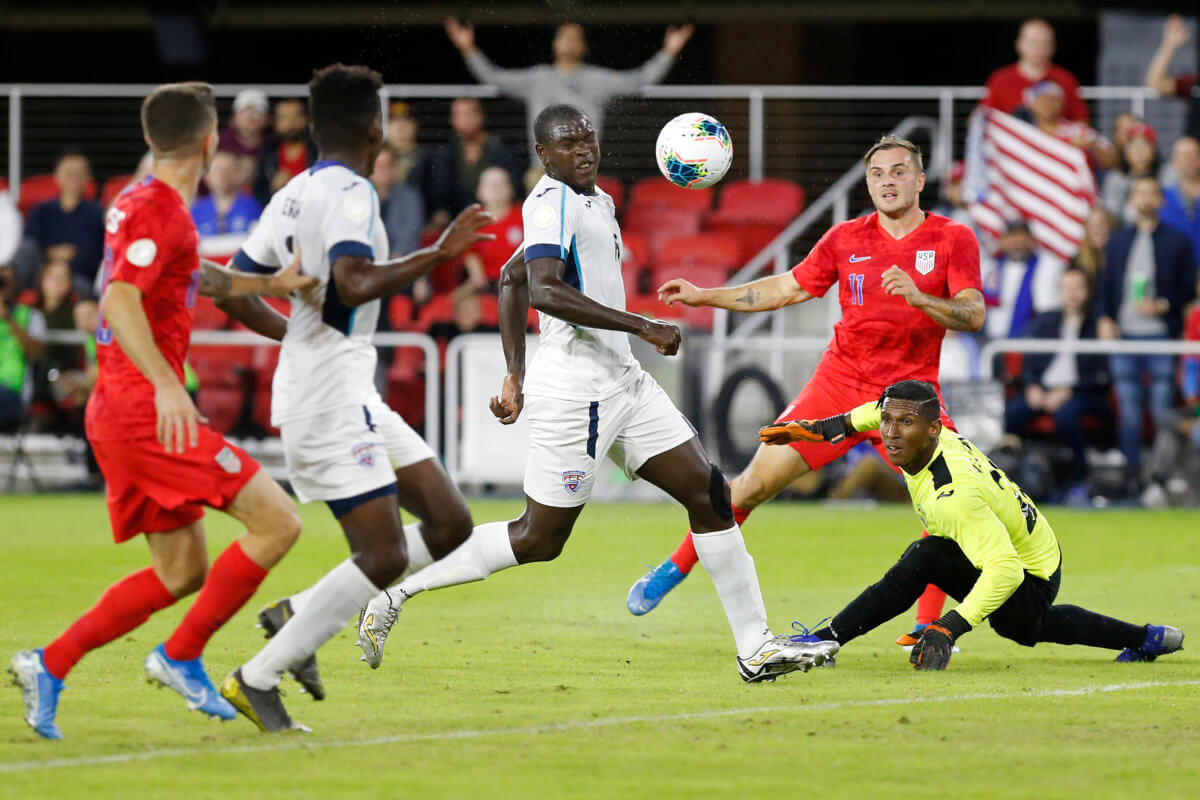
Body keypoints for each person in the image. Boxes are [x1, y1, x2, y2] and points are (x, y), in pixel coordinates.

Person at [352, 104, 838, 685]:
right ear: (544, 155)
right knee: (539, 538)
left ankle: (755, 647)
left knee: (710, 496)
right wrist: (642, 325)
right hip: (577, 392)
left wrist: (513, 372)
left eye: (587, 138)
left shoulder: (597, 201)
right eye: (567, 142)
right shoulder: (548, 202)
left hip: (624, 383)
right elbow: (545, 291)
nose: (583, 149)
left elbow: (513, 279)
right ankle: (395, 589)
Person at [8, 82, 317, 741]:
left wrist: (272, 285)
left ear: (150, 141)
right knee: (279, 521)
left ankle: (49, 663)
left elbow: (195, 276)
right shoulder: (164, 210)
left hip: (120, 411)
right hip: (142, 412)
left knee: (183, 571)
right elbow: (121, 303)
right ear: (210, 142)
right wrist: (169, 386)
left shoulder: (143, 204)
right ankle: (179, 655)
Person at [215, 64, 495, 733]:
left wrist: (295, 336)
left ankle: (295, 614)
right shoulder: (352, 193)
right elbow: (353, 279)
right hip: (328, 396)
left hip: (343, 382)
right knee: (386, 555)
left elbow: (232, 286)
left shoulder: (292, 191)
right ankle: (258, 677)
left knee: (450, 523)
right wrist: (438, 253)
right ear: (375, 128)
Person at [626, 134, 985, 648]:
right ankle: (674, 567)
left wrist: (921, 297)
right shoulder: (845, 239)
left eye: (899, 171)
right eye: (878, 173)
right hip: (838, 386)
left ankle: (927, 626)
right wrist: (706, 295)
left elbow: (972, 314)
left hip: (910, 399)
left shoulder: (953, 239)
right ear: (868, 184)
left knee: (947, 509)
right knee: (749, 487)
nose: (888, 181)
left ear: (921, 180)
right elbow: (785, 288)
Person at [776, 379, 1184, 668]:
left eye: (904, 424)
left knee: (1010, 616)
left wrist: (948, 627)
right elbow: (873, 413)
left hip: (1029, 568)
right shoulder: (929, 434)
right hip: (1024, 540)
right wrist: (826, 428)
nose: (890, 434)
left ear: (933, 430)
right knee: (940, 566)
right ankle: (1147, 638)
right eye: (888, 422)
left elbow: (1004, 570)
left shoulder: (954, 496)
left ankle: (823, 643)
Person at [445, 18, 693, 161]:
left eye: (577, 37)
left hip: (586, 171)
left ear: (585, 46)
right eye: (565, 36)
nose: (570, 41)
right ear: (554, 43)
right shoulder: (537, 78)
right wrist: (468, 48)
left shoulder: (599, 79)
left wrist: (669, 51)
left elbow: (641, 79)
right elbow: (493, 77)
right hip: (542, 173)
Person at [1096, 175, 1198, 482]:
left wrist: (1163, 305)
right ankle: (1131, 476)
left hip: (1161, 337)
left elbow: (1187, 290)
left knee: (1161, 410)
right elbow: (1105, 287)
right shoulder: (1117, 241)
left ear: (1161, 200)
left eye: (1151, 193)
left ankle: (1159, 476)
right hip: (1124, 336)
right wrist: (1105, 318)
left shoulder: (1177, 241)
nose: (1145, 199)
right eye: (1139, 193)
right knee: (1128, 412)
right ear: (1132, 200)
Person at [1004, 267, 1110, 490]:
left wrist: (1069, 391)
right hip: (1043, 390)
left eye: (1077, 288)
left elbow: (1101, 372)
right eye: (1067, 288)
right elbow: (1030, 360)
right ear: (1060, 291)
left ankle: (1079, 478)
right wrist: (1032, 387)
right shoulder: (1046, 321)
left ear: (1087, 291)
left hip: (1081, 393)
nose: (1072, 294)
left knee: (1067, 415)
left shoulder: (1097, 325)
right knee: (1012, 412)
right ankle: (1018, 475)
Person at [24, 150, 105, 296]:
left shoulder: (97, 213)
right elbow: (30, 244)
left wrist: (62, 270)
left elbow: (95, 253)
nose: (73, 178)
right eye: (69, 173)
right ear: (57, 176)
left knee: (82, 288)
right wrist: (53, 257)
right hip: (40, 274)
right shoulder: (41, 210)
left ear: (88, 178)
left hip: (78, 278)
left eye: (79, 173)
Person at [428, 98, 522, 218]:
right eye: (458, 115)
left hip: (497, 214)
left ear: (481, 117)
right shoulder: (446, 153)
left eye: (468, 114)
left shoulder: (501, 148)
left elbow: (514, 188)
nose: (463, 120)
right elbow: (440, 192)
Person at [981, 18, 1088, 122]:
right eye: (1033, 42)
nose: (1038, 48)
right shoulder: (1000, 80)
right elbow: (984, 118)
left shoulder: (1065, 79)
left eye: (1045, 43)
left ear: (1053, 46)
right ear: (1019, 44)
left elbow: (1079, 121)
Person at [981, 220, 1066, 340]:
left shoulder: (1045, 266)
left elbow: (1046, 314)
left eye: (1022, 237)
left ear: (1031, 241)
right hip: (989, 343)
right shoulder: (990, 268)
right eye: (1012, 237)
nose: (1017, 243)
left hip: (1027, 344)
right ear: (1003, 241)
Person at [1019, 81, 1116, 172]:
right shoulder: (1024, 133)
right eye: (1041, 100)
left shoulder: (1078, 131)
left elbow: (1112, 161)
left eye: (1052, 99)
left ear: (1061, 103)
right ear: (1031, 104)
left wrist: (1092, 146)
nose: (1046, 104)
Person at [463, 166, 525, 292]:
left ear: (512, 189)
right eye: (490, 184)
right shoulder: (472, 221)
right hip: (488, 286)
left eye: (502, 183)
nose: (496, 188)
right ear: (479, 191)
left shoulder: (525, 215)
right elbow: (470, 256)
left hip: (523, 283)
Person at [0, 263, 45, 429]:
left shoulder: (31, 315)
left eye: (6, 283)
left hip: (12, 392)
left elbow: (37, 353)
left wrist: (8, 319)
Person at [191, 150, 263, 251]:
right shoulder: (196, 211)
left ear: (237, 174)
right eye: (216, 170)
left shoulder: (252, 206)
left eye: (227, 170)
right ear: (206, 176)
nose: (222, 176)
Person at [1144, 14, 1200, 140]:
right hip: (1193, 154)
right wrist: (1169, 45)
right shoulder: (1195, 82)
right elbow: (1154, 82)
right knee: (1184, 148)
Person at [253, 99, 316, 206]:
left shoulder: (319, 151)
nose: (291, 123)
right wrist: (273, 188)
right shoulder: (267, 152)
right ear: (275, 123)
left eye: (297, 116)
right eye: (284, 118)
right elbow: (259, 192)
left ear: (306, 120)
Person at [370, 146, 425, 258]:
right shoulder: (359, 197)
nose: (382, 170)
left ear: (394, 169)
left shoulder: (410, 197)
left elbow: (409, 238)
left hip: (402, 264)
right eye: (378, 165)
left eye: (386, 166)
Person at [1100, 122, 1159, 224]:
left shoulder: (1165, 176)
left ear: (1153, 149)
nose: (1139, 152)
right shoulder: (1116, 178)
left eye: (1145, 146)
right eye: (1134, 146)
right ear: (1126, 150)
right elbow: (1110, 215)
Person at [218, 89, 271, 190]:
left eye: (257, 112)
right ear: (234, 118)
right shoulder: (219, 141)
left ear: (267, 119)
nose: (250, 117)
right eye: (244, 111)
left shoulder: (274, 145)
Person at [1160, 136, 1200, 267]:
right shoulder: (1162, 200)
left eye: (1194, 155)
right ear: (1173, 161)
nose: (1190, 160)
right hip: (1176, 276)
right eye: (1184, 156)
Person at [1072, 206, 1116, 282]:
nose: (1098, 230)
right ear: (1086, 230)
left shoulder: (1120, 259)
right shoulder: (1077, 264)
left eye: (1102, 224)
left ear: (1111, 226)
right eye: (1093, 225)